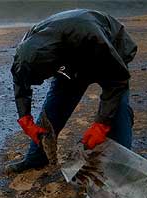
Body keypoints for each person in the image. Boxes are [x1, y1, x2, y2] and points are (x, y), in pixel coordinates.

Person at [7, 9, 137, 173]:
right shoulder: (26, 50)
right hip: (68, 60)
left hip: (109, 50)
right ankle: (37, 158)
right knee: (55, 105)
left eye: (43, 77)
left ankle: (122, 168)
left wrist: (101, 124)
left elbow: (118, 80)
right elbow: (20, 79)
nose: (41, 81)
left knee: (117, 108)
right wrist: (24, 117)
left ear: (54, 62)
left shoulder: (88, 35)